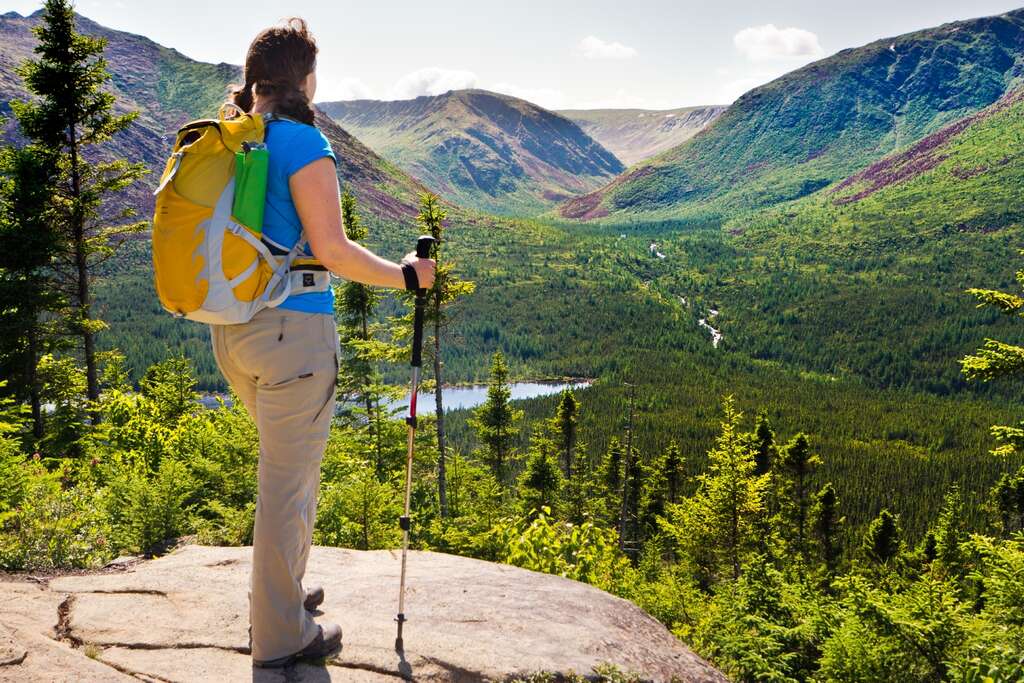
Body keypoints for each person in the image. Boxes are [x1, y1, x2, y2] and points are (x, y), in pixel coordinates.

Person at [209, 18, 435, 668]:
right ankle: (281, 635)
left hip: (236, 331)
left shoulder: (235, 140)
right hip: (294, 333)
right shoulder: (301, 142)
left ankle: (285, 593)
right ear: (303, 80)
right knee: (287, 481)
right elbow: (331, 250)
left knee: (290, 472)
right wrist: (403, 276)